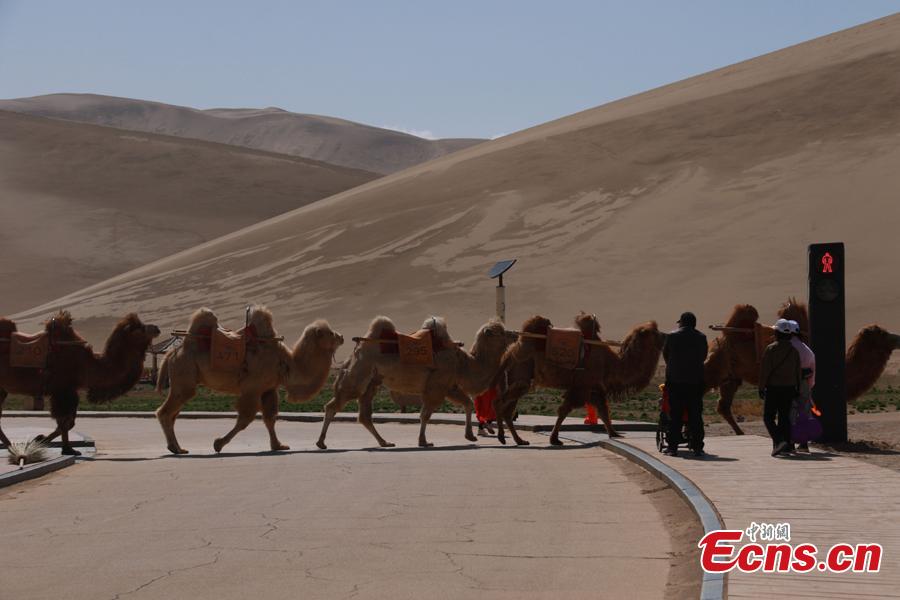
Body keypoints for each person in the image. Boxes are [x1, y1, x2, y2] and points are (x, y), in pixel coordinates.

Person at [662, 312, 708, 457]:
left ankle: (672, 447)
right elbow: (703, 356)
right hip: (695, 382)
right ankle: (697, 447)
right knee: (695, 415)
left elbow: (666, 356)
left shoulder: (672, 336)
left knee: (675, 415)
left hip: (675, 382)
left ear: (681, 323)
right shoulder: (701, 338)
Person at [759, 319, 802, 457]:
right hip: (790, 389)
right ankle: (787, 445)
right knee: (784, 418)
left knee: (768, 417)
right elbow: (798, 372)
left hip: (774, 389)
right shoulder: (794, 351)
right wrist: (798, 389)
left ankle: (779, 441)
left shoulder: (771, 349)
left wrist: (761, 387)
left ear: (777, 333)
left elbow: (765, 371)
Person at [788, 319, 816, 452]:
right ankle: (804, 444)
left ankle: (791, 443)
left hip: (788, 383)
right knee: (804, 413)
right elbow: (812, 371)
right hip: (804, 384)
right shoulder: (807, 350)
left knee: (790, 412)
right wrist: (808, 387)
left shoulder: (784, 348)